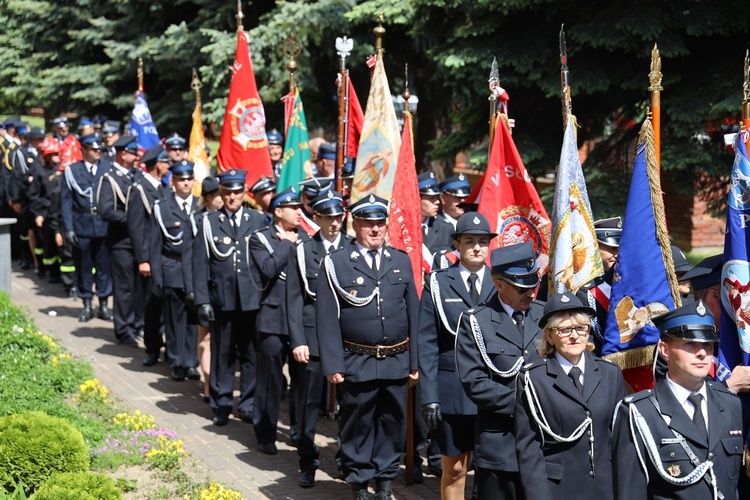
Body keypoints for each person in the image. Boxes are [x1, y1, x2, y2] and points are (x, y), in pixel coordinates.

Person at [317, 194, 419, 500]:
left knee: (392, 422)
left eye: (379, 224)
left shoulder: (400, 260)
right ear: (355, 225)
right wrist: (333, 364)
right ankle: (359, 482)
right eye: (367, 224)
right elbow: (326, 318)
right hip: (357, 360)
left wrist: (415, 362)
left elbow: (413, 313)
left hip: (396, 359)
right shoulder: (336, 263)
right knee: (357, 423)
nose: (375, 230)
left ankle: (385, 480)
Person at [612, 299, 746, 499]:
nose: (702, 353)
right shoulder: (639, 413)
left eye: (707, 345)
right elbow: (630, 490)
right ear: (665, 350)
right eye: (690, 344)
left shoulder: (731, 404)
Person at [455, 240, 545, 499]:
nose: (531, 294)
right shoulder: (476, 321)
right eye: (522, 288)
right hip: (501, 441)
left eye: (534, 285)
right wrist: (524, 404)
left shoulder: (545, 316)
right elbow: (475, 382)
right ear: (499, 285)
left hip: (543, 441)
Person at [514, 292, 626, 499]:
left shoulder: (610, 374)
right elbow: (529, 449)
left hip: (604, 487)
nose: (574, 336)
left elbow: (621, 442)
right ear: (549, 335)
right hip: (558, 489)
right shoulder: (533, 378)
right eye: (565, 329)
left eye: (581, 328)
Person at [419, 212, 497, 499]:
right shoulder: (438, 282)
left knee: (492, 471)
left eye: (483, 241)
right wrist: (429, 395)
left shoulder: (501, 282)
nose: (477, 247)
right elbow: (427, 342)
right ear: (457, 245)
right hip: (452, 391)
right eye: (470, 241)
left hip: (494, 392)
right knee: (454, 470)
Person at [191, 169, 267, 426]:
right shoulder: (209, 222)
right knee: (222, 353)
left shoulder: (257, 220)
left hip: (251, 299)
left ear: (244, 193)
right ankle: (221, 402)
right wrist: (202, 300)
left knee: (251, 354)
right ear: (221, 194)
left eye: (237, 192)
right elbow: (200, 263)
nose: (232, 196)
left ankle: (247, 403)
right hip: (221, 299)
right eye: (227, 192)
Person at [286, 189, 352, 487]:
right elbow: (294, 300)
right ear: (317, 217)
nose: (335, 223)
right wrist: (298, 339)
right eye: (328, 217)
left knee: (350, 405)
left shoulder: (353, 248)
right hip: (311, 339)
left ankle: (346, 460)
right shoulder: (302, 251)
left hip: (346, 339)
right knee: (307, 404)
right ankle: (307, 461)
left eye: (339, 216)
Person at [150, 161, 200, 381]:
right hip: (173, 269)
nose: (186, 183)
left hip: (196, 272)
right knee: (174, 319)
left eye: (189, 179)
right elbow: (154, 244)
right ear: (173, 181)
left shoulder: (201, 207)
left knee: (193, 319)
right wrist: (157, 276)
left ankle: (191, 362)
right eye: (181, 179)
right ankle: (176, 361)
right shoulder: (162, 207)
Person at [60, 135, 113, 322]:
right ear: (84, 149)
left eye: (99, 149)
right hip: (81, 224)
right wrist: (68, 228)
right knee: (83, 266)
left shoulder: (108, 168)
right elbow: (66, 202)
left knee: (104, 267)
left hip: (104, 224)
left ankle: (104, 304)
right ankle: (87, 304)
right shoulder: (72, 171)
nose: (98, 151)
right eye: (93, 149)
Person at [127, 145, 169, 366]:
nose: (169, 166)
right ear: (157, 164)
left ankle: (169, 349)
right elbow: (135, 228)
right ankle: (152, 349)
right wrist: (143, 259)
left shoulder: (164, 188)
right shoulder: (139, 189)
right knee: (152, 306)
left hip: (165, 256)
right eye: (166, 162)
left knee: (165, 304)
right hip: (149, 258)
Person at [97, 136, 141, 345]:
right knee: (124, 287)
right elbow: (106, 210)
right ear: (123, 154)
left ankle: (137, 324)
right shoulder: (109, 178)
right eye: (134, 153)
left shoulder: (135, 176)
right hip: (121, 241)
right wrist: (132, 221)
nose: (137, 156)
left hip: (139, 241)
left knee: (139, 286)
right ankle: (124, 330)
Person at [191, 175, 223, 402]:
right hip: (205, 286)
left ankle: (219, 380)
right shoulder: (197, 220)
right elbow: (191, 258)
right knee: (206, 337)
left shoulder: (226, 220)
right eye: (220, 195)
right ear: (210, 198)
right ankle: (207, 383)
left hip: (223, 289)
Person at [419, 171, 454, 256]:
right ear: (417, 198)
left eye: (437, 197)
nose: (437, 202)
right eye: (431, 198)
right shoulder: (403, 227)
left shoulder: (446, 228)